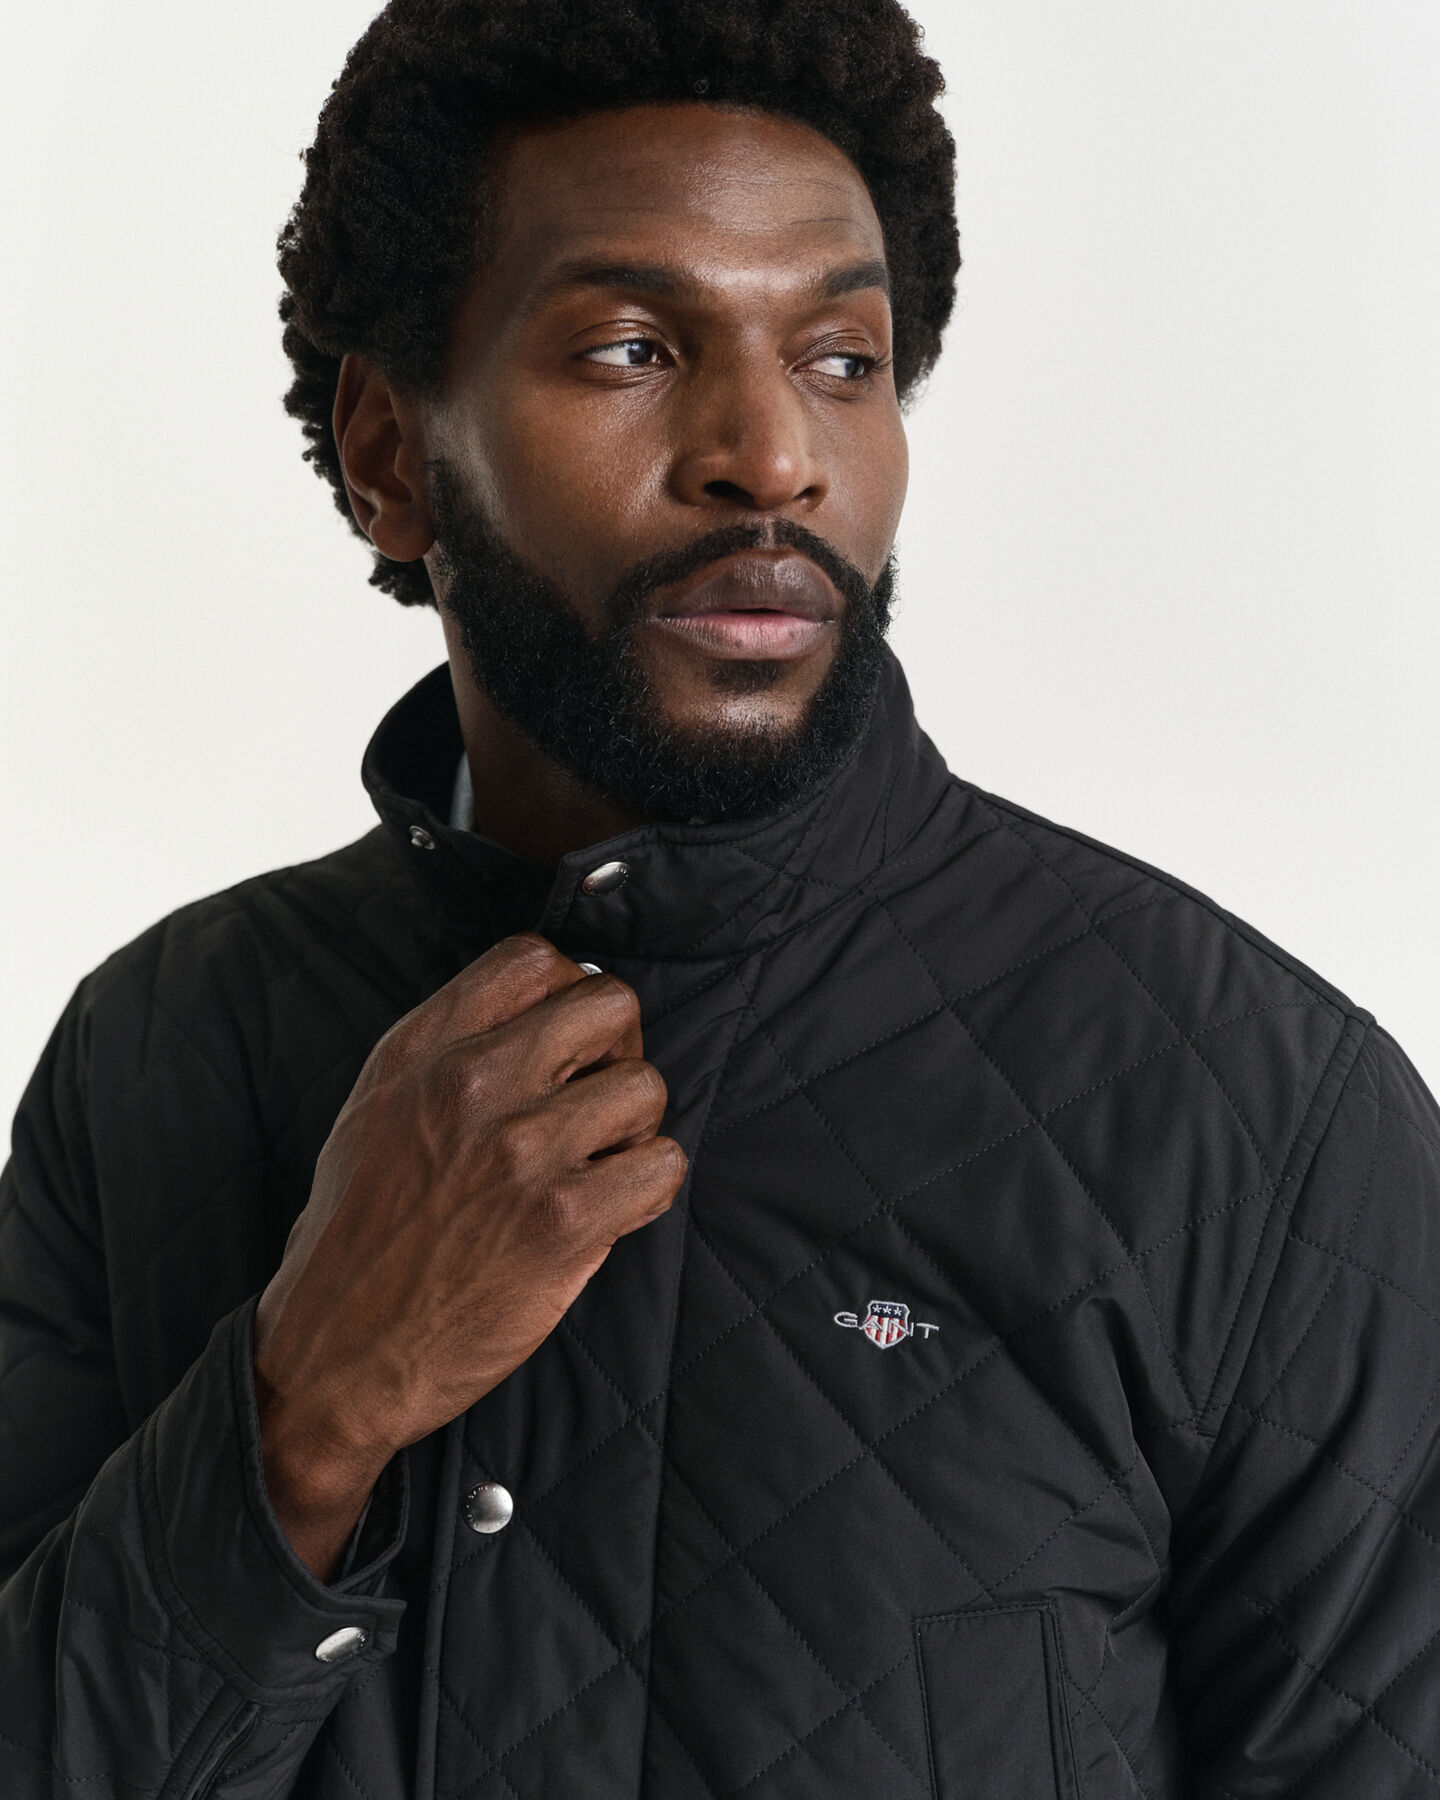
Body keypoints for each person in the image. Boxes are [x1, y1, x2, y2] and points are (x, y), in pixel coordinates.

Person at [3, 0, 1439, 1794]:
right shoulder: (156, 1053)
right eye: (630, 348)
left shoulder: (1258, 1119)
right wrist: (303, 1414)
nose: (772, 453)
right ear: (389, 456)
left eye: (842, 357)